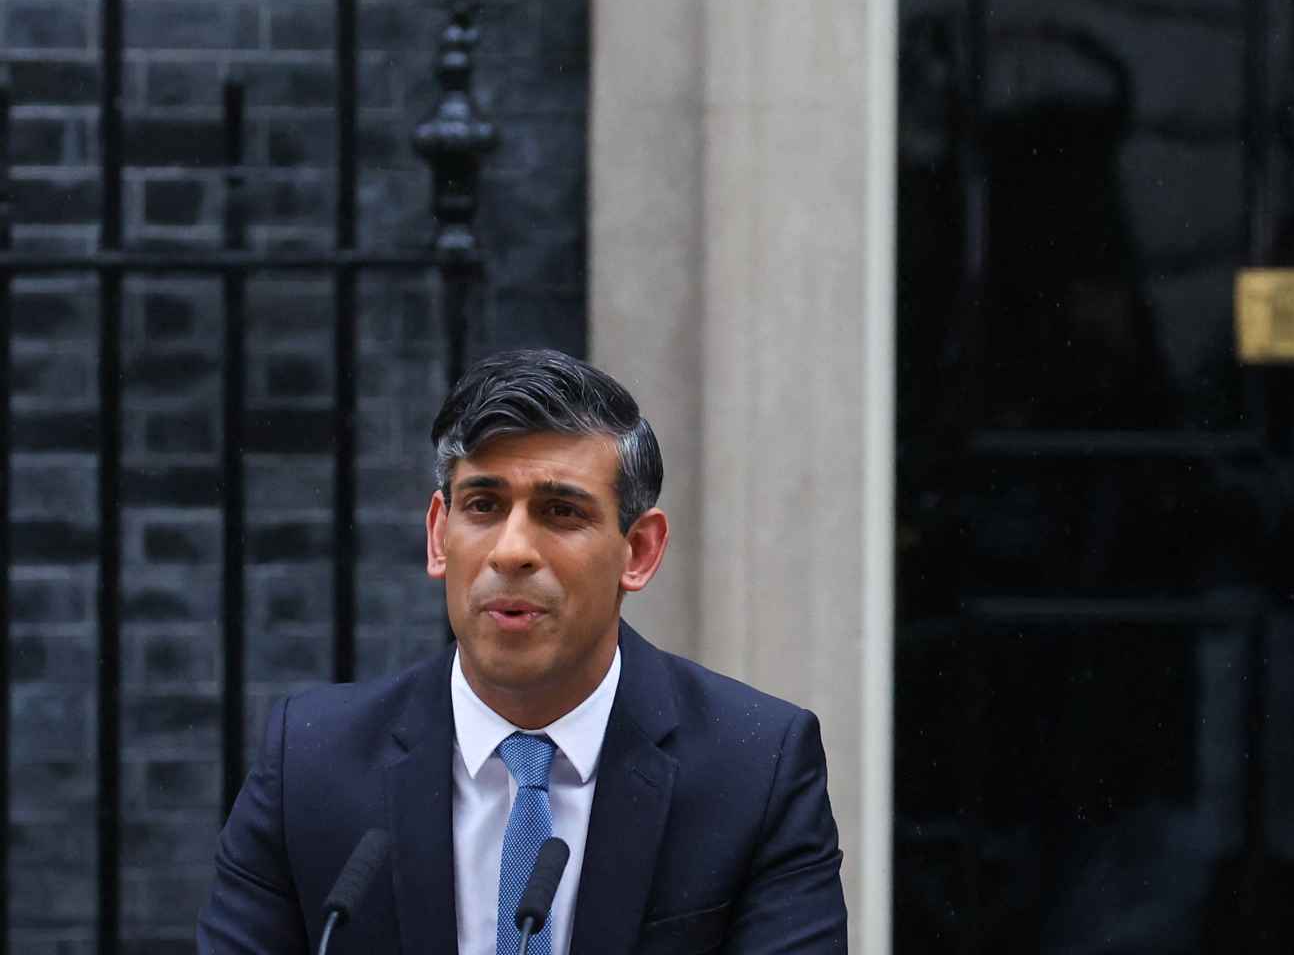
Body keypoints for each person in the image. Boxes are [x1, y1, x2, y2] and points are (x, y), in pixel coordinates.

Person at [197, 349, 847, 953]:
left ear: (640, 551)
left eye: (561, 512)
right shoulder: (311, 764)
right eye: (483, 506)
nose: (511, 551)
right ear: (439, 536)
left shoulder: (755, 769)